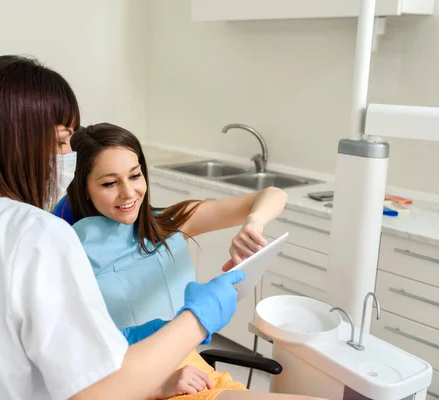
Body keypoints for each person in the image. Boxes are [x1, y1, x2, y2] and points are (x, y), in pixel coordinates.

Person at [0, 55, 247, 400]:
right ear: (19, 144)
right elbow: (96, 391)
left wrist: (150, 376)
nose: (68, 156)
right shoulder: (38, 235)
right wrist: (198, 318)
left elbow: (10, 355)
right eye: (62, 142)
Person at [57, 123, 323, 399]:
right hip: (135, 384)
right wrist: (155, 388)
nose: (128, 193)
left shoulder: (168, 223)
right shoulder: (68, 253)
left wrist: (252, 224)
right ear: (84, 189)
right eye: (110, 183)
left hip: (194, 371)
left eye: (135, 176)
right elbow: (75, 363)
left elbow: (274, 194)